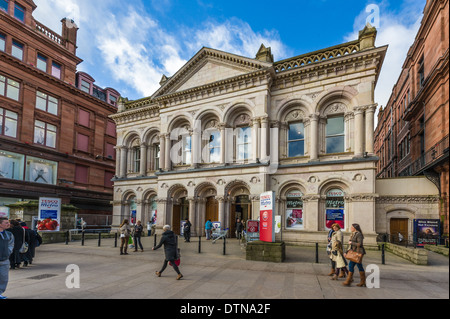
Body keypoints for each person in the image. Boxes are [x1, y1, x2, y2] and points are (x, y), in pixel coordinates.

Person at [0, 218, 14, 299]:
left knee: (3, 278)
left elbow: (11, 244)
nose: (8, 224)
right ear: (0, 224)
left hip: (4, 260)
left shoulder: (9, 234)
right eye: (6, 223)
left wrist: (7, 253)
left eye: (8, 222)